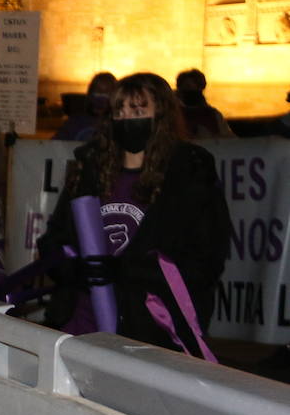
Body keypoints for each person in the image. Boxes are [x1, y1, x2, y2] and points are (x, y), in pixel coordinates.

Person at [38, 72, 232, 352]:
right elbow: (55, 238)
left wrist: (126, 270)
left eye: (139, 110)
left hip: (154, 325)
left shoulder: (189, 173)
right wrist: (73, 269)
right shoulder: (90, 167)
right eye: (120, 110)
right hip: (85, 320)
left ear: (161, 116)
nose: (128, 118)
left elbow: (204, 258)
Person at [53, 72, 115, 142]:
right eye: (98, 91)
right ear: (90, 93)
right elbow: (55, 145)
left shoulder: (117, 125)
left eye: (107, 92)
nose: (102, 95)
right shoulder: (75, 122)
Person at [174, 68, 235, 138]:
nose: (191, 91)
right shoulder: (173, 114)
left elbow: (227, 137)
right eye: (187, 87)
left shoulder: (212, 114)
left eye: (196, 87)